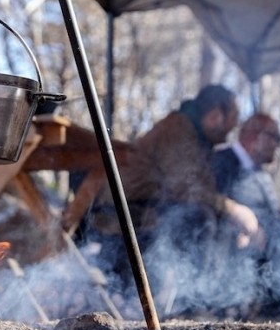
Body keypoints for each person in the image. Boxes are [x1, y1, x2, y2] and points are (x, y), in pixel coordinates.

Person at [87, 84, 263, 314]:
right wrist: (234, 210)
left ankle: (203, 302)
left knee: (207, 217)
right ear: (214, 116)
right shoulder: (178, 129)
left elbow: (202, 191)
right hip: (123, 215)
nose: (230, 133)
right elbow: (187, 189)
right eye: (230, 122)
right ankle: (192, 305)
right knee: (199, 218)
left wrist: (230, 216)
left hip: (150, 212)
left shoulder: (199, 139)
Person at [211, 113, 280, 318]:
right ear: (254, 137)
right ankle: (272, 314)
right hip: (234, 241)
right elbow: (207, 200)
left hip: (269, 243)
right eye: (275, 137)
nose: (278, 145)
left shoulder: (260, 174)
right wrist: (239, 221)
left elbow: (272, 214)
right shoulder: (222, 162)